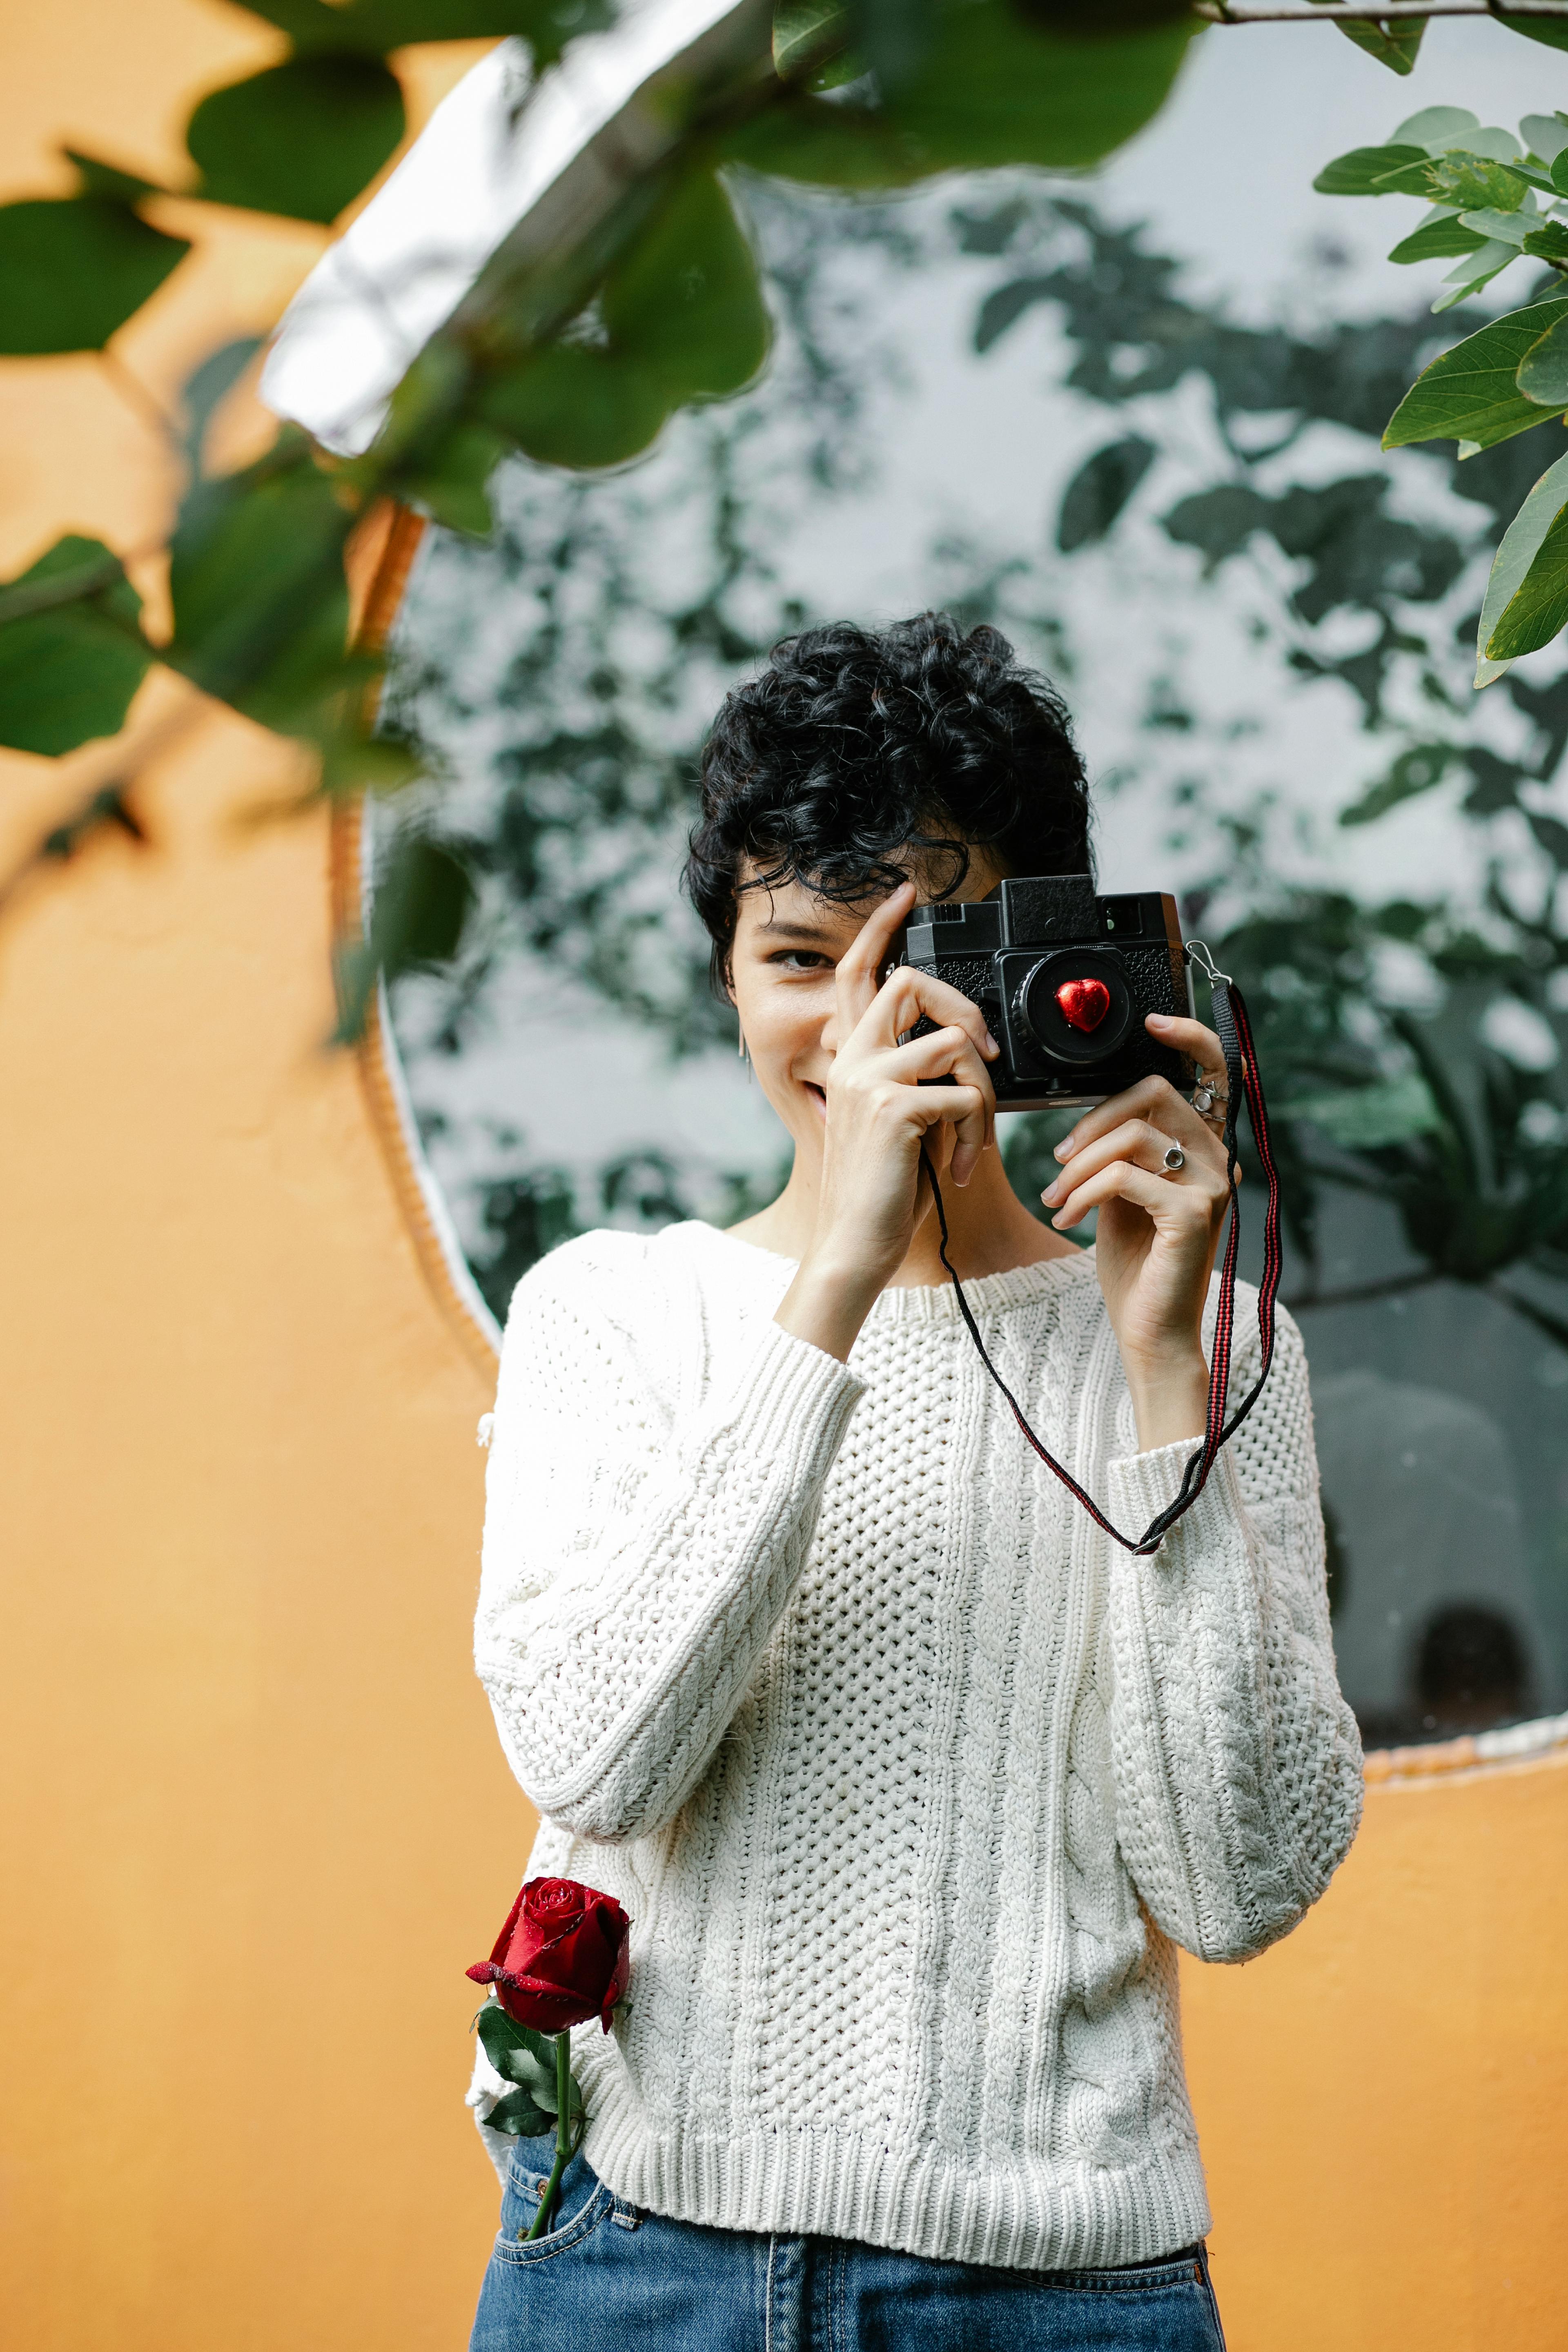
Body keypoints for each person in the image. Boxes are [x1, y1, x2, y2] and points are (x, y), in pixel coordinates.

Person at [467, 615, 1363, 2352]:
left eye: (929, 950)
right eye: (802, 954)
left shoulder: (1210, 1331)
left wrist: (1161, 1364)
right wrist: (837, 1289)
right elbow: (595, 1754)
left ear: (1047, 954)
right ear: (724, 974)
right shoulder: (616, 1311)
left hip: (1065, 2286)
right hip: (640, 2252)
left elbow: (1239, 1886)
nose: (864, 1018)